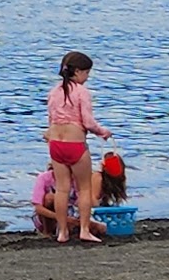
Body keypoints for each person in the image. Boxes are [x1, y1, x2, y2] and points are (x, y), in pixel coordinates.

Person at [46, 51, 112, 244]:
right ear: (78, 72)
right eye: (87, 72)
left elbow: (51, 120)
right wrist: (103, 132)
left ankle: (62, 232)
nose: (88, 77)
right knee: (84, 188)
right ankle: (84, 229)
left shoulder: (54, 91)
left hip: (56, 144)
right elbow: (88, 122)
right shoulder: (82, 92)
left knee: (62, 189)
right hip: (75, 144)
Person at [31, 151, 128, 236]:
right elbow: (38, 208)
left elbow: (81, 202)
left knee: (101, 229)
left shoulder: (76, 179)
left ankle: (71, 229)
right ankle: (47, 233)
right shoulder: (44, 178)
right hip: (50, 217)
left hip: (72, 214)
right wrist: (63, 218)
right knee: (50, 198)